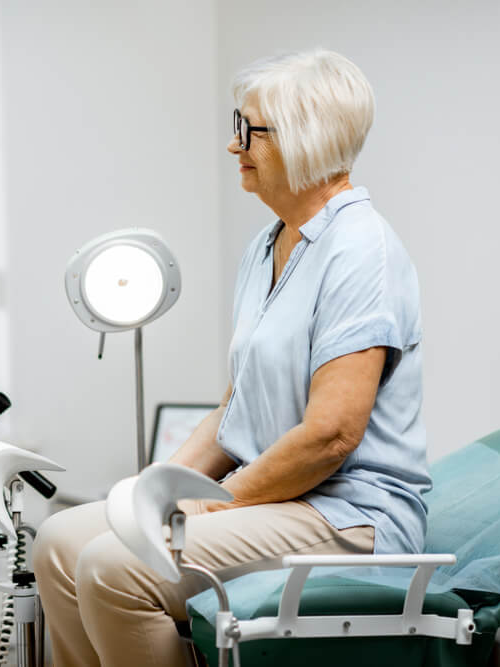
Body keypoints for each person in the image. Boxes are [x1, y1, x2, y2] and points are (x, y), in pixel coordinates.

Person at [32, 49, 430, 666]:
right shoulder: (269, 244)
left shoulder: (360, 250)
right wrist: (154, 490)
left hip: (348, 517)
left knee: (117, 567)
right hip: (278, 500)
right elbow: (235, 405)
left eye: (250, 131)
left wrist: (214, 501)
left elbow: (331, 435)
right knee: (59, 542)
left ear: (307, 138)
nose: (232, 145)